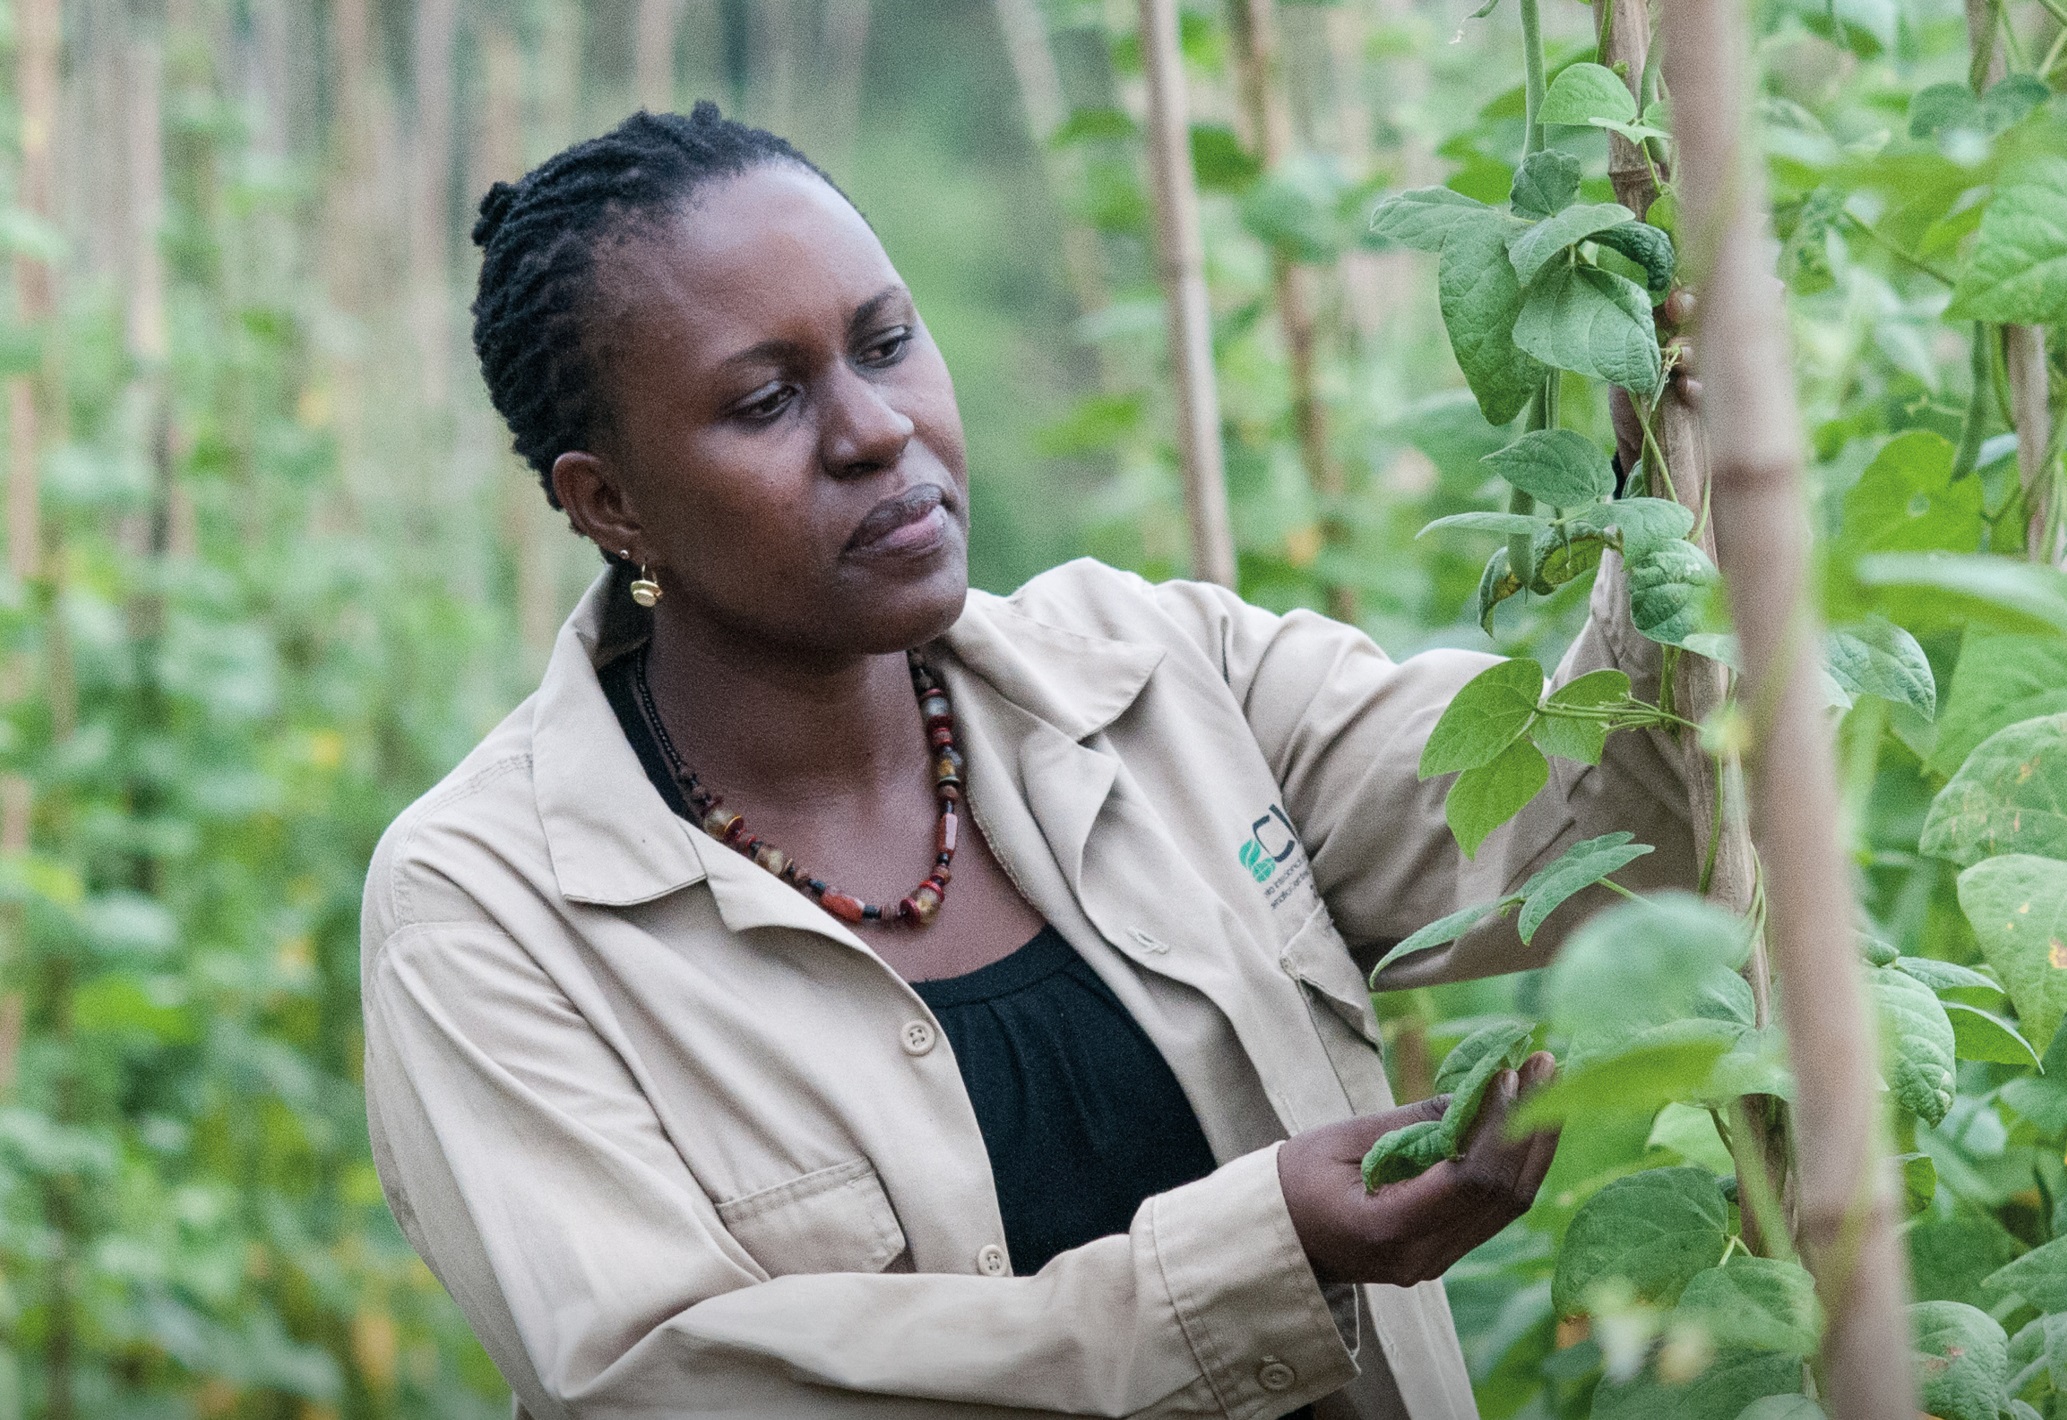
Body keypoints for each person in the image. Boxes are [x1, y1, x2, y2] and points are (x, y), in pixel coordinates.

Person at [359, 104, 1697, 1420]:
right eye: (767, 400)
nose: (875, 428)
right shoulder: (485, 905)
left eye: (886, 344)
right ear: (609, 502)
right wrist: (1261, 1252)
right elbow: (661, 1376)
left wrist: (1679, 492)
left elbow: (1614, 831)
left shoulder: (1162, 672)